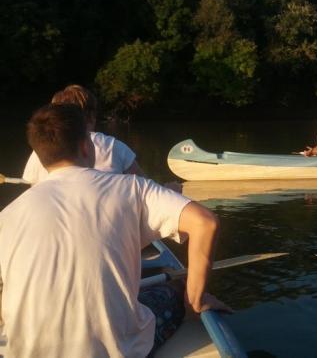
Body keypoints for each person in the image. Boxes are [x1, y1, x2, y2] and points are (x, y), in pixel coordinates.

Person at [0, 104, 230, 357]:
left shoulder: (7, 215)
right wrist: (194, 302)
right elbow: (205, 223)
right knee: (178, 287)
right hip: (114, 351)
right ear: (86, 146)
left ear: (40, 156)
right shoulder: (133, 188)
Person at [22, 85, 145, 185]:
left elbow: (31, 188)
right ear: (91, 116)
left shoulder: (42, 149)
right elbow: (142, 183)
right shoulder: (113, 146)